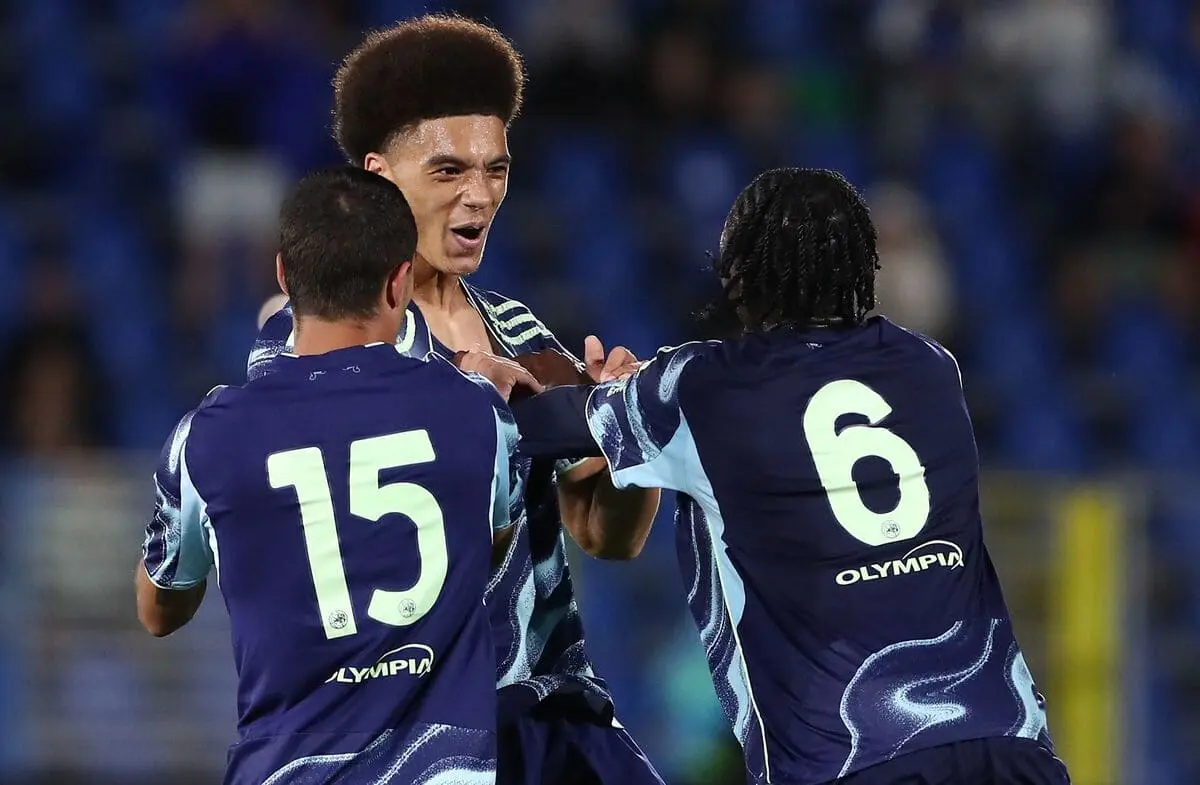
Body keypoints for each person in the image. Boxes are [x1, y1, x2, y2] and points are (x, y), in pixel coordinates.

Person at [510, 168, 1073, 785]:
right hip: (1012, 746)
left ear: (740, 277)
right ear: (866, 268)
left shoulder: (702, 388)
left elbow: (538, 423)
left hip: (850, 761)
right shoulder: (932, 367)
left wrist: (577, 383)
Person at [251, 15, 665, 785]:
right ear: (377, 177)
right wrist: (454, 389)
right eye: (448, 171)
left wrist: (625, 441)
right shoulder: (312, 335)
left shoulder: (519, 330)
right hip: (402, 726)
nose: (480, 195)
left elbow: (606, 535)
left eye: (497, 170)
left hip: (547, 717)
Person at [136, 167, 539, 784]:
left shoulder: (208, 439)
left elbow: (158, 610)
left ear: (282, 275)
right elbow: (487, 546)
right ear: (400, 281)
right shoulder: (478, 413)